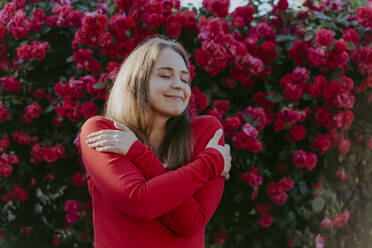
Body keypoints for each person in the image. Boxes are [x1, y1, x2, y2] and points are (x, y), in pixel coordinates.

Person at [79, 36, 232, 248]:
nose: (179, 86)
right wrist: (209, 163)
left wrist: (137, 153)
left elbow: (189, 223)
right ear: (137, 81)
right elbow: (140, 203)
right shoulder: (103, 131)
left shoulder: (205, 132)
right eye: (165, 75)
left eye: (185, 79)